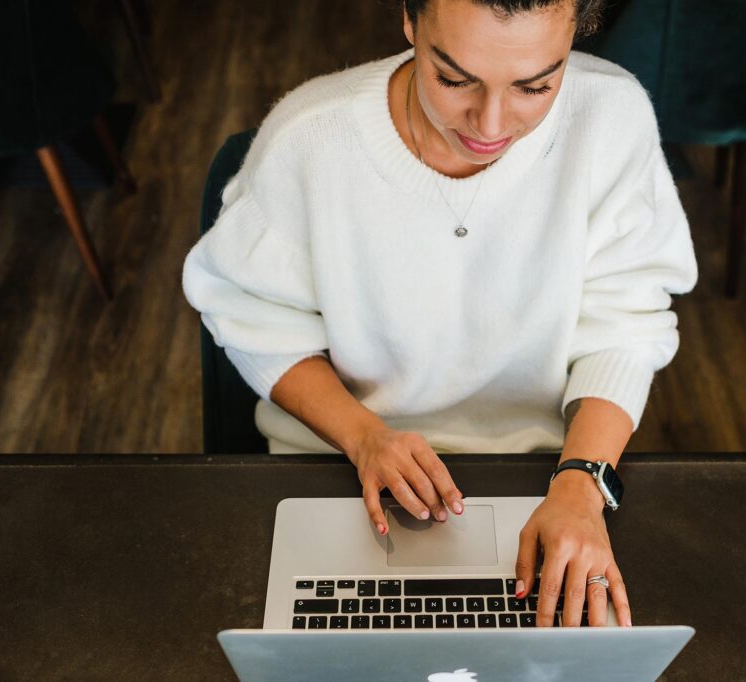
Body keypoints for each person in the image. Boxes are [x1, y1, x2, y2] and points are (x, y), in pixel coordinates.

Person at [183, 0, 697, 629]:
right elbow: (252, 318)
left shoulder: (612, 119)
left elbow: (627, 321)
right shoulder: (311, 139)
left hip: (548, 473)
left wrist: (582, 484)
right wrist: (364, 436)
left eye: (537, 84)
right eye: (454, 79)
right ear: (409, 19)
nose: (492, 124)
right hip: (336, 466)